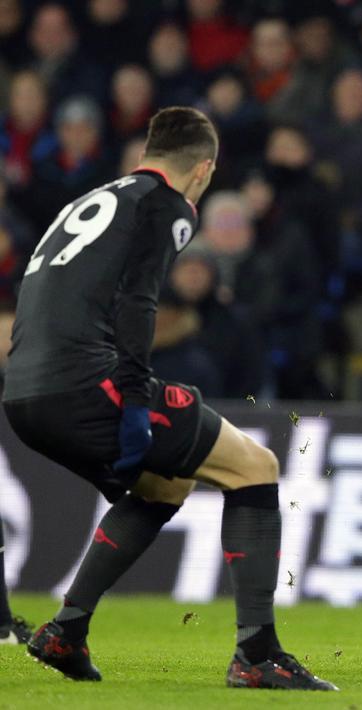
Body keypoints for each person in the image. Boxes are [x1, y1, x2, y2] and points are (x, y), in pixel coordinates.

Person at [1, 107, 334, 691]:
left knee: (166, 483)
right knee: (255, 467)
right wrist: (133, 399)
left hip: (24, 391)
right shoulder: (167, 205)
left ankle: (66, 631)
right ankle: (256, 654)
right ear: (203, 170)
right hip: (87, 384)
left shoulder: (89, 201)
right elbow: (138, 304)